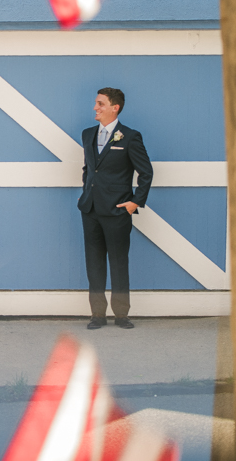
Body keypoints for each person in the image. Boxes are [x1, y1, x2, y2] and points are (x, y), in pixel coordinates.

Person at [77, 88, 153, 330]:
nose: (95, 108)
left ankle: (121, 315)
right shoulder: (87, 134)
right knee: (94, 263)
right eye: (95, 103)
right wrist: (87, 192)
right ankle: (97, 315)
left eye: (100, 104)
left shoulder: (130, 136)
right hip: (90, 210)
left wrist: (134, 202)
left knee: (119, 263)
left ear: (114, 108)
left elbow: (146, 173)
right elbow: (89, 169)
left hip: (118, 211)